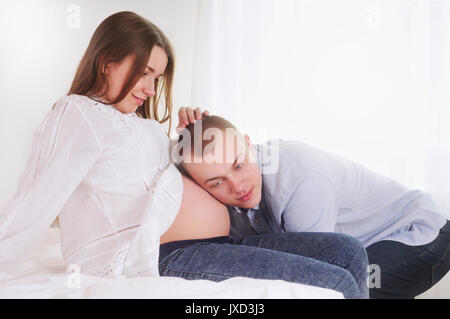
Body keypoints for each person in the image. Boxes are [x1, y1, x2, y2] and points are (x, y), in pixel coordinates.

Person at [0, 11, 369, 298]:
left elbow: (178, 182)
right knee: (332, 280)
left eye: (156, 78)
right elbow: (33, 199)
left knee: (347, 252)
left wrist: (190, 132)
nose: (149, 87)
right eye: (144, 73)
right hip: (168, 256)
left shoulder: (140, 123)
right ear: (107, 61)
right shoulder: (78, 114)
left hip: (217, 241)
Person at [175, 109, 450, 299]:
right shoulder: (216, 187)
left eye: (238, 164)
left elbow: (315, 274)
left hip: (420, 235)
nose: (238, 186)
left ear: (249, 143)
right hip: (366, 243)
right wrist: (190, 135)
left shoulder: (300, 179)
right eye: (216, 182)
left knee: (348, 286)